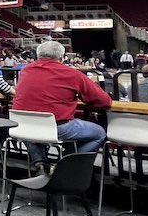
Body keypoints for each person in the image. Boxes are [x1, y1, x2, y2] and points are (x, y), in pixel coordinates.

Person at [12, 40, 111, 175]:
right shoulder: (71, 73)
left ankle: (40, 163)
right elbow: (104, 101)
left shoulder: (25, 71)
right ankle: (62, 165)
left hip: (24, 126)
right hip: (57, 126)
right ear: (61, 57)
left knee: (31, 128)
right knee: (99, 133)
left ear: (38, 55)